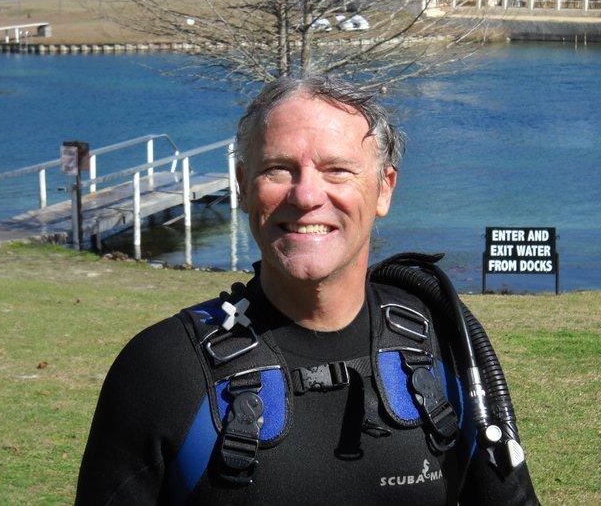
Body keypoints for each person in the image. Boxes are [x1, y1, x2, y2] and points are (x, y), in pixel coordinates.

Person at [77, 75, 539, 505]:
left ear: (384, 190)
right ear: (242, 187)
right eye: (278, 169)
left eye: (337, 170)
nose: (306, 196)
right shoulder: (162, 368)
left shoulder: (446, 344)